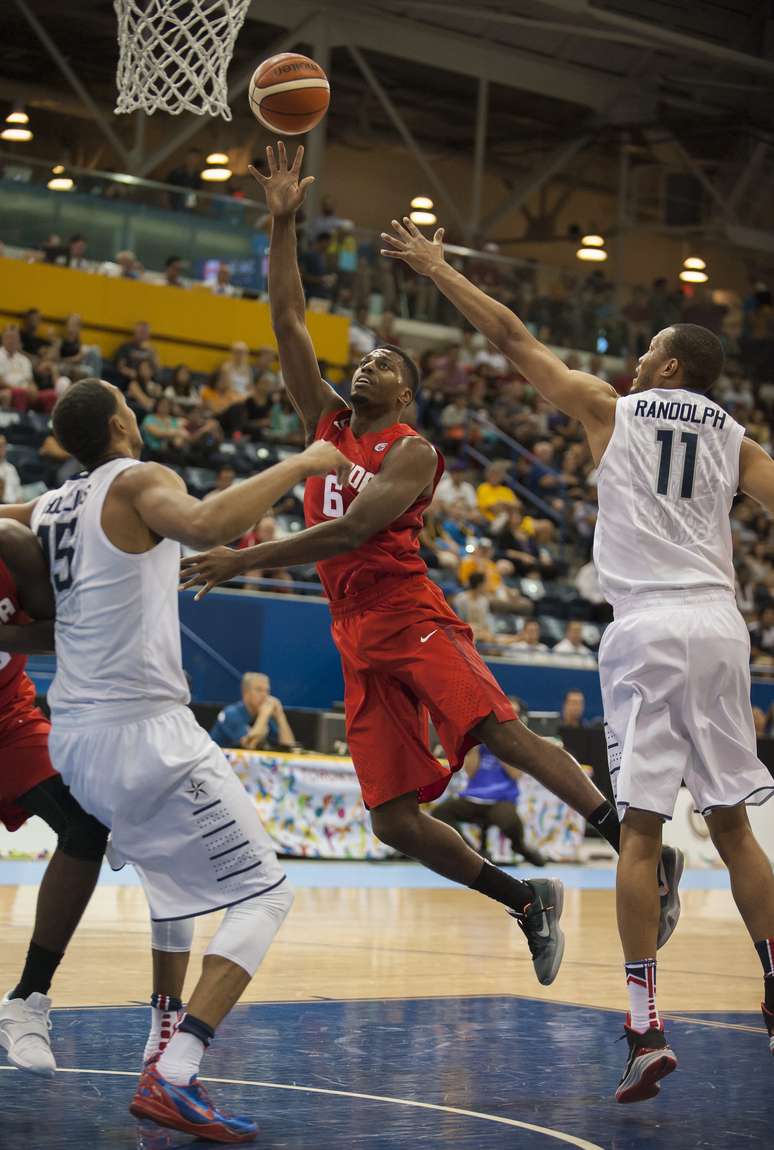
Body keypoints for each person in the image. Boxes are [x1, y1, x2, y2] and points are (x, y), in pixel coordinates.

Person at [181, 142, 682, 991]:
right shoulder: (327, 426)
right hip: (352, 631)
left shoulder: (409, 450)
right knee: (390, 821)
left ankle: (635, 841)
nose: (366, 363)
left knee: (497, 727)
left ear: (406, 393)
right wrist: (282, 220)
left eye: (384, 362)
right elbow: (288, 320)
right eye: (364, 359)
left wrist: (247, 556)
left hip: (407, 610)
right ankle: (526, 900)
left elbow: (352, 534)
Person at [379, 212, 774, 1100]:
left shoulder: (612, 406)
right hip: (719, 622)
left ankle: (644, 1029)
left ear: (670, 366)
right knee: (734, 825)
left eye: (649, 352)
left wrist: (440, 269)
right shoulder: (736, 439)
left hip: (646, 628)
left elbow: (513, 336)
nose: (635, 362)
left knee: (640, 834)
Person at [0, 378, 348, 1140]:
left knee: (173, 878)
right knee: (265, 894)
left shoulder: (55, 503)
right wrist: (306, 461)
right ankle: (177, 1070)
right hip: (144, 734)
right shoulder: (139, 481)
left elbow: (8, 517)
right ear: (125, 422)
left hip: (76, 736)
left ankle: (157, 1031)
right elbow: (207, 522)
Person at [0, 520, 109, 1077]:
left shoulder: (11, 542)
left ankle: (28, 998)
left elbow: (56, 631)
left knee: (87, 821)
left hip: (9, 722)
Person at [432, 699, 545, 866]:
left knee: (509, 821)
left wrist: (501, 744)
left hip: (501, 799)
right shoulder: (480, 741)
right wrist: (476, 744)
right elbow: (469, 773)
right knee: (440, 813)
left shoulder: (517, 743)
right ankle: (470, 852)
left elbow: (515, 774)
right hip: (473, 797)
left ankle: (520, 847)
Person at [210, 672, 296, 752]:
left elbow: (289, 746)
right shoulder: (230, 714)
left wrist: (280, 716)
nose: (265, 695)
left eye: (267, 691)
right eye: (259, 690)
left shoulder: (266, 714)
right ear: (245, 693)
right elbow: (250, 745)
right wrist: (264, 715)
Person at [0, 435, 22, 504]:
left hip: (13, 508)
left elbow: (19, 496)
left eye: (3, 445)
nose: (1, 449)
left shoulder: (11, 468)